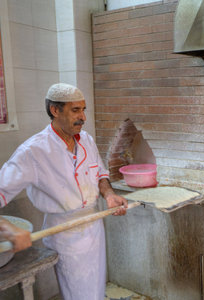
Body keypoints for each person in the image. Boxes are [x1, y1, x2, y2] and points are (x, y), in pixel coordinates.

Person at [0, 83, 128, 299]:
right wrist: (7, 228)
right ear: (55, 110)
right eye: (75, 110)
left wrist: (109, 195)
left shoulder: (86, 140)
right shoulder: (32, 152)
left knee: (96, 290)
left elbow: (100, 175)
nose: (83, 117)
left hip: (95, 225)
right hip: (66, 232)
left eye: (83, 109)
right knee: (78, 294)